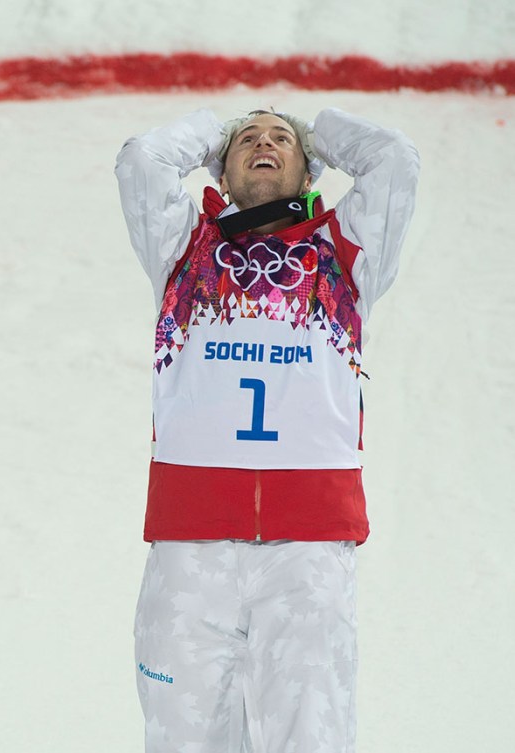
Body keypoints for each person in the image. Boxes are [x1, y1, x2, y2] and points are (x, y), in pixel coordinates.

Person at [115, 106, 419, 752]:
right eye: (247, 140)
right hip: (189, 553)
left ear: (309, 169)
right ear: (220, 171)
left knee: (311, 738)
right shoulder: (182, 248)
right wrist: (214, 133)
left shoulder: (346, 252)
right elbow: (141, 160)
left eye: (280, 140)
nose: (263, 144)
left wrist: (320, 131)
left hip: (306, 556)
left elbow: (395, 160)